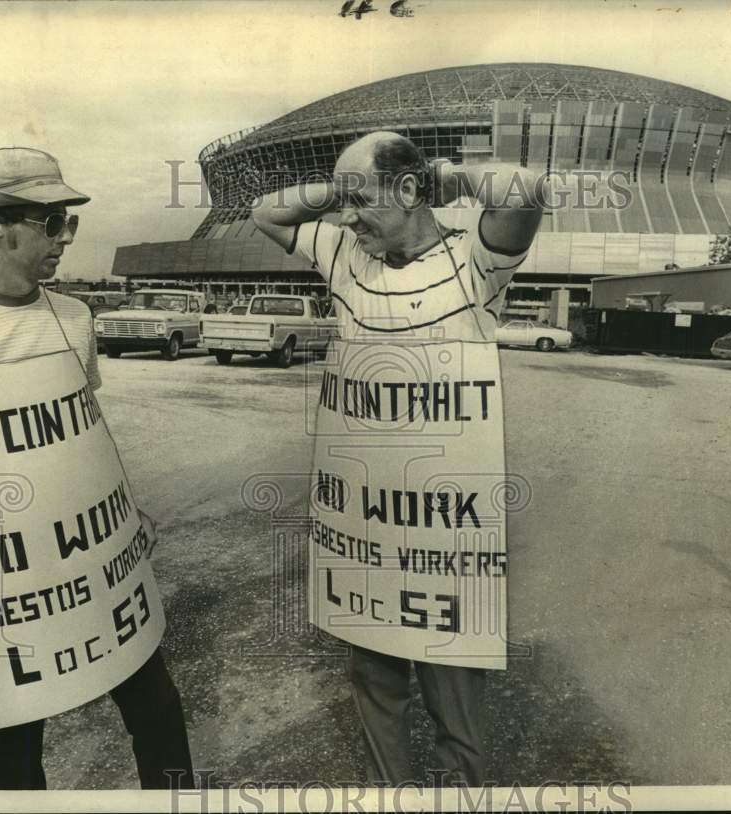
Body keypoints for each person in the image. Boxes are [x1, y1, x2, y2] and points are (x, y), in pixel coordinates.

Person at [252, 131, 543, 785]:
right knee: (375, 684)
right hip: (367, 530)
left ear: (411, 192)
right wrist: (345, 188)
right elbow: (265, 212)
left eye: (362, 203)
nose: (346, 218)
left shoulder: (476, 263)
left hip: (445, 532)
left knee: (455, 698)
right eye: (342, 205)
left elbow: (524, 189)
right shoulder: (342, 252)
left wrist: (442, 173)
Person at [0, 147, 193, 790]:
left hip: (92, 569)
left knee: (158, 711)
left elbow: (86, 432)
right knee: (15, 751)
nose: (65, 236)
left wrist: (128, 512)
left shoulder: (75, 318)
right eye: (50, 220)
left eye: (69, 221)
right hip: (7, 586)